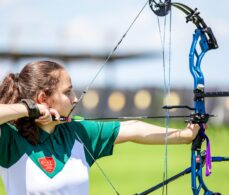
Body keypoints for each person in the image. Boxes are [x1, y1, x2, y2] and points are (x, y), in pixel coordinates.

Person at [0, 60, 199, 195]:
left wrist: (185, 135)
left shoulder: (78, 132)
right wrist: (29, 108)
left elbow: (134, 128)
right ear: (43, 99)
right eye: (67, 92)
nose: (75, 98)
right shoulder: (10, 140)